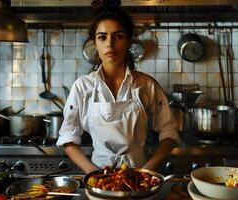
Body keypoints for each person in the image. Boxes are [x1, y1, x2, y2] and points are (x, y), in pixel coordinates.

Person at [56, 0, 180, 174]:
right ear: (95, 43)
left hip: (139, 174)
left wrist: (145, 172)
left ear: (129, 41)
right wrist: (94, 174)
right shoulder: (83, 87)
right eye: (102, 37)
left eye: (118, 36)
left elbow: (169, 134)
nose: (110, 44)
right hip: (98, 173)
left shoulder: (146, 85)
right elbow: (68, 138)